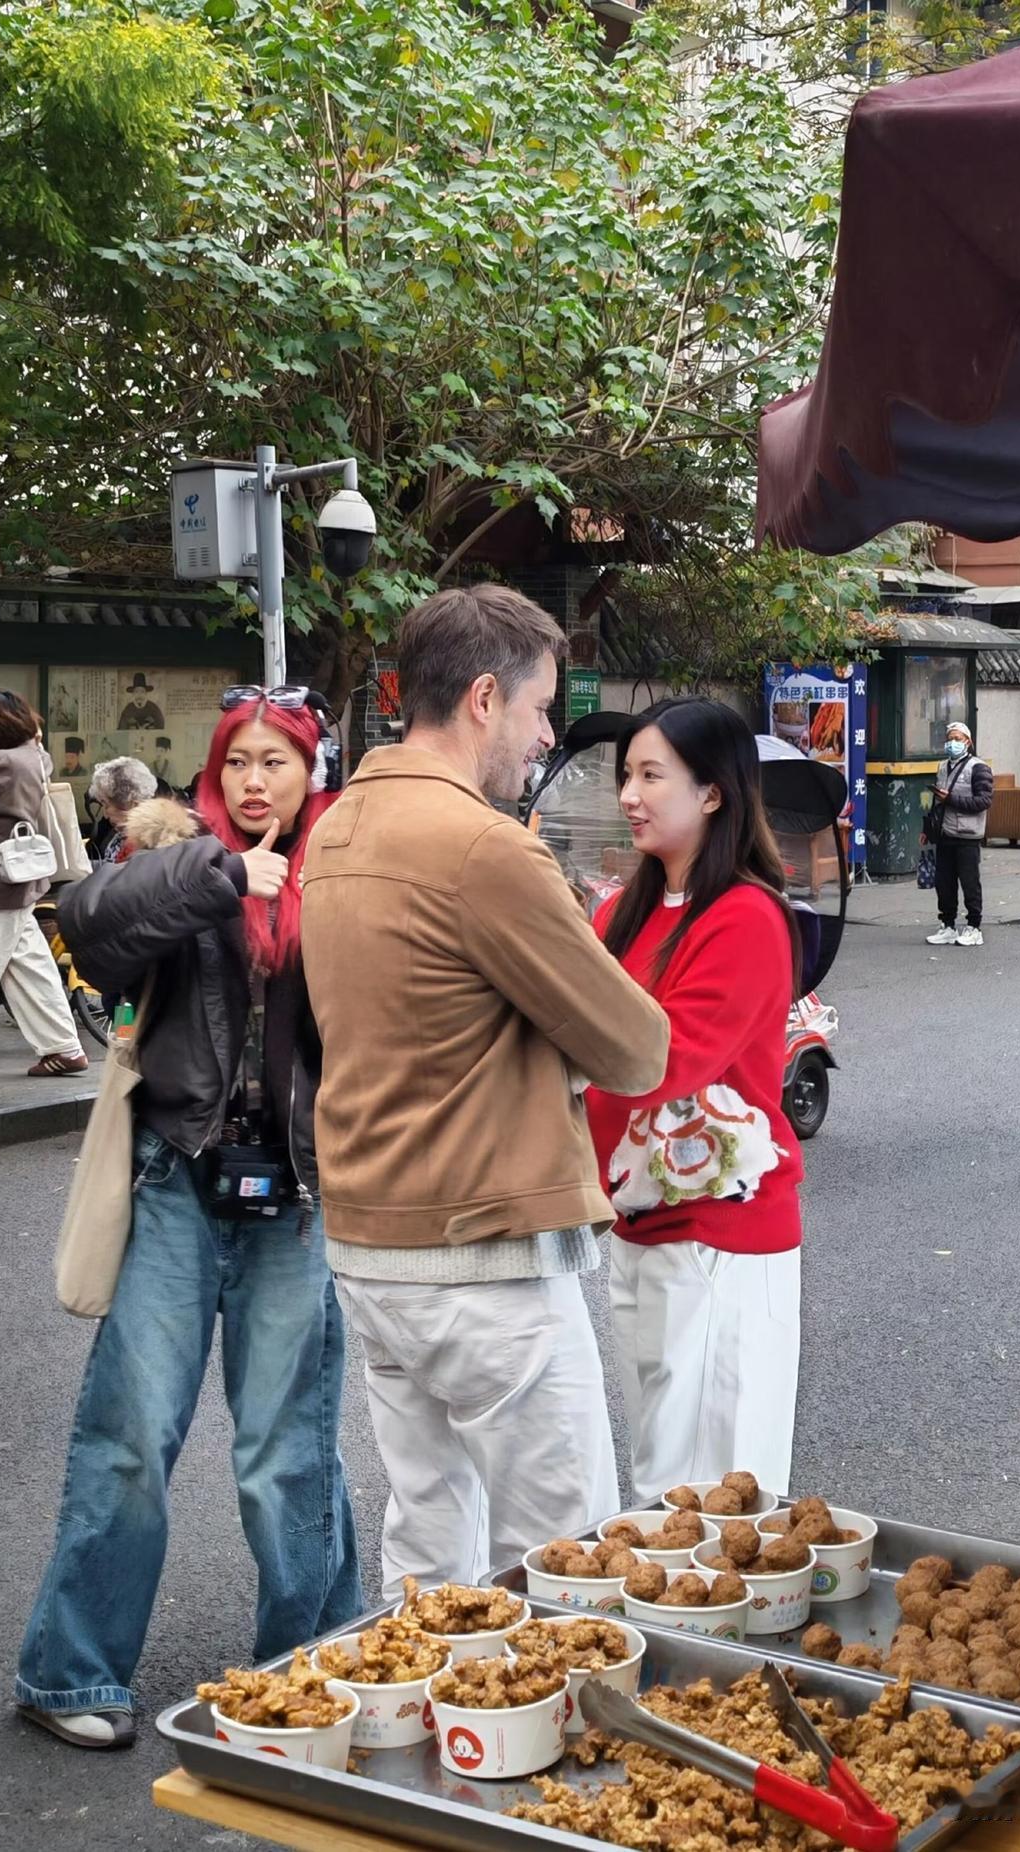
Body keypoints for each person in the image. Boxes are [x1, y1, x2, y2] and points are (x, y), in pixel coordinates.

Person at [301, 584, 670, 1590]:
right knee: (570, 1565)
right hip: (485, 1253)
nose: (545, 735)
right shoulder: (483, 847)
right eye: (539, 707)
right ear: (481, 699)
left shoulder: (337, 827)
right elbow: (636, 1049)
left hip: (373, 1241)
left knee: (430, 1552)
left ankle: (423, 1692)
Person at [15, 689, 362, 1750]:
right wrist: (221, 875)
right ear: (214, 770)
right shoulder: (173, 851)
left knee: (287, 1450)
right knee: (130, 1434)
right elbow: (89, 927)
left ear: (310, 773)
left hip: (295, 1198)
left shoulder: (345, 865)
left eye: (277, 761)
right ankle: (71, 1674)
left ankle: (313, 1665)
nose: (256, 780)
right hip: (176, 1179)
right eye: (238, 760)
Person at [582, 699, 804, 1503]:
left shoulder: (746, 915)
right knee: (660, 1478)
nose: (629, 796)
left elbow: (667, 1059)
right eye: (626, 776)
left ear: (713, 792)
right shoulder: (619, 911)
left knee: (716, 1493)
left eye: (652, 776)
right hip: (637, 1218)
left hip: (722, 1232)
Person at [0, 690, 88, 1076]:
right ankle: (64, 1047)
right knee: (31, 968)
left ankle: (64, 1047)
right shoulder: (35, 757)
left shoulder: (1, 764)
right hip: (18, 880)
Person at [925, 721, 994, 948]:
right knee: (944, 884)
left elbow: (984, 801)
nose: (952, 743)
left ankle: (974, 927)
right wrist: (927, 829)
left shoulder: (979, 768)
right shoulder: (942, 766)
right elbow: (937, 802)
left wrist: (951, 799)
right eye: (949, 739)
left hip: (967, 836)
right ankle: (948, 925)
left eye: (957, 739)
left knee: (969, 883)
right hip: (945, 833)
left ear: (968, 742)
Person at [86, 756, 157, 862]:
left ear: (133, 804)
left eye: (107, 805)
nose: (105, 814)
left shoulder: (153, 844)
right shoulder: (117, 832)